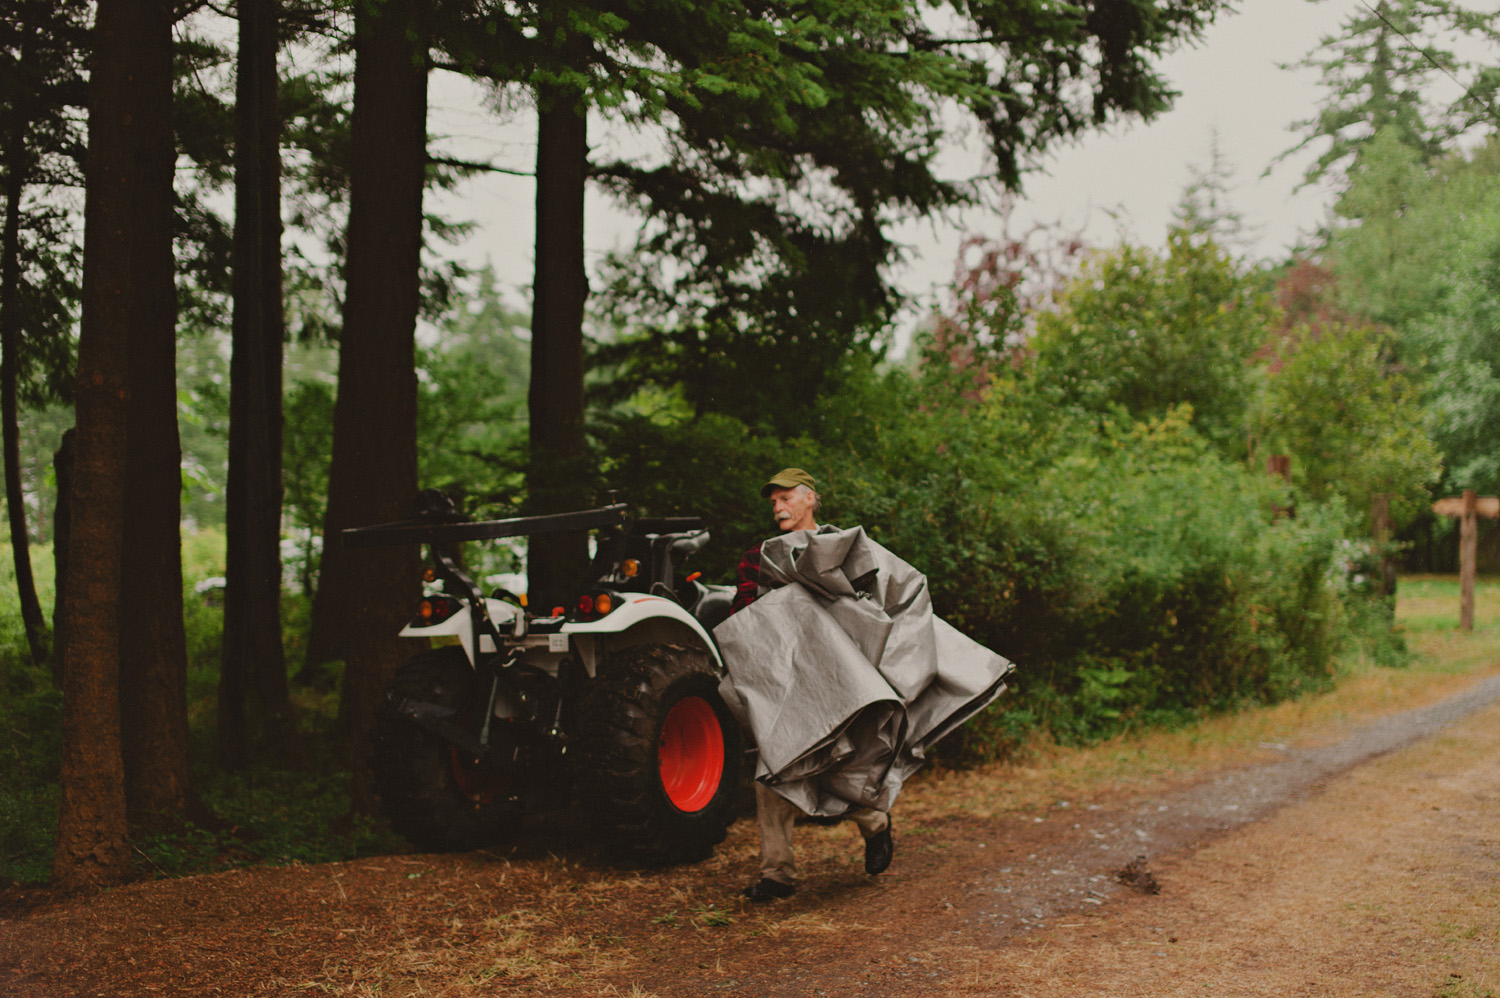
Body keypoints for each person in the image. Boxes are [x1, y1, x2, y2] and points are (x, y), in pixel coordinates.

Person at [730, 467, 894, 903]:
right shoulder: (758, 556)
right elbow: (743, 611)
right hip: (783, 678)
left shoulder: (842, 547)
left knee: (838, 762)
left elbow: (869, 604)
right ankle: (776, 874)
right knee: (774, 769)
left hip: (838, 677)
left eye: (785, 498)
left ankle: (876, 823)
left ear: (809, 499)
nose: (779, 507)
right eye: (773, 502)